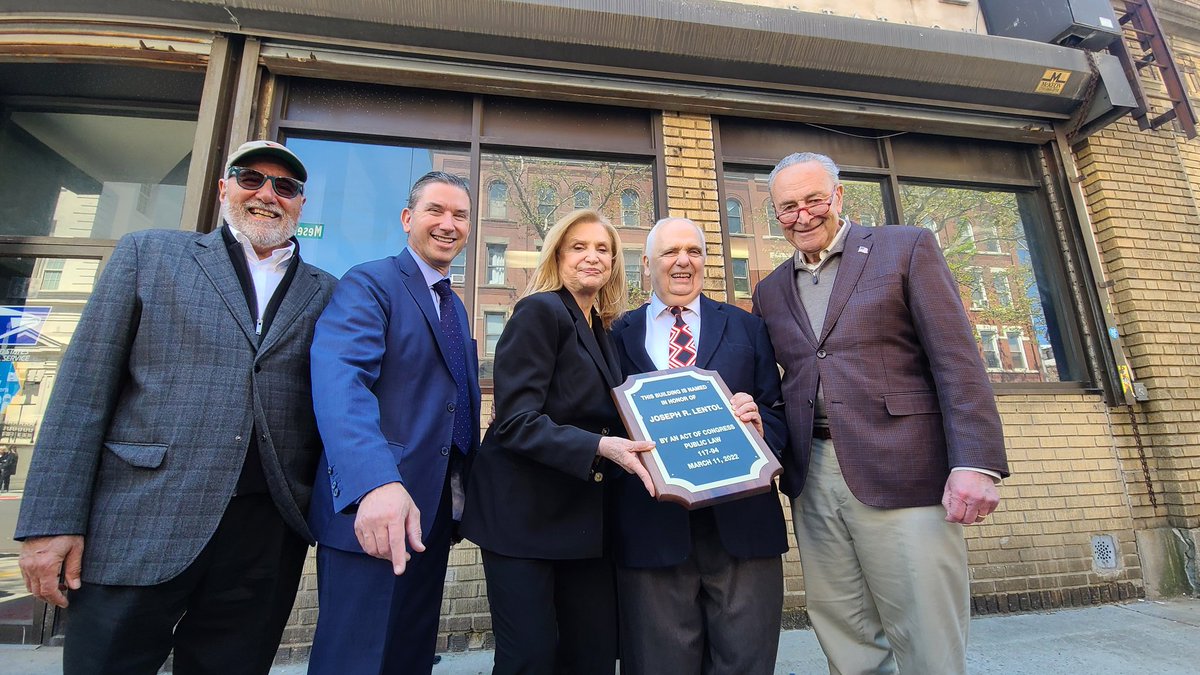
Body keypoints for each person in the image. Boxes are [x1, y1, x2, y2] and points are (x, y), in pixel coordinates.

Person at [14, 139, 336, 674]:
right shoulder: (150, 255)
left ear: (300, 203)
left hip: (263, 535)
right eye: (251, 178)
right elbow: (82, 393)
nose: (267, 194)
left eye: (285, 186)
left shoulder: (326, 291)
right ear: (224, 188)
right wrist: (49, 523)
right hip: (143, 518)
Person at [753, 152, 1010, 674]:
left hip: (904, 469)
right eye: (787, 207)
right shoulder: (770, 289)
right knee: (844, 630)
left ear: (839, 196)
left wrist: (975, 462)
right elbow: (778, 384)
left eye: (814, 200)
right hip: (812, 476)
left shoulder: (905, 247)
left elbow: (957, 361)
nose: (802, 215)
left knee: (926, 631)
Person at [461, 209, 656, 675]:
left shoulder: (601, 329)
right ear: (557, 256)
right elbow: (515, 422)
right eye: (579, 247)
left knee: (592, 654)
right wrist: (600, 448)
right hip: (523, 517)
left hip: (582, 519)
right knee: (529, 658)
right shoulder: (540, 311)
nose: (593, 256)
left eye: (604, 249)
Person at [306, 171, 482, 675]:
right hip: (375, 509)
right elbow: (341, 384)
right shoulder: (370, 282)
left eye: (460, 215)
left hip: (431, 516)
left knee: (408, 656)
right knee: (356, 661)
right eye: (435, 211)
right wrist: (375, 483)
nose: (448, 224)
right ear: (407, 219)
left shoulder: (453, 304)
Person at [609, 217, 789, 675]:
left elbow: (778, 410)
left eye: (693, 251)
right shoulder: (615, 335)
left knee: (746, 664)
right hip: (652, 530)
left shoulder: (747, 327)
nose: (683, 261)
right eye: (670, 252)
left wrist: (760, 425)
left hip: (742, 529)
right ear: (645, 263)